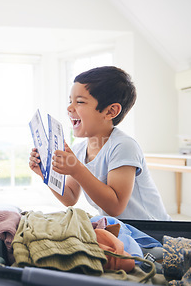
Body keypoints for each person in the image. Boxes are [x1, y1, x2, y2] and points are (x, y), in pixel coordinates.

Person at [29, 66, 171, 221]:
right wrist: (45, 174)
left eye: (80, 102)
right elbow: (70, 197)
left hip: (150, 230)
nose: (69, 108)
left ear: (110, 112)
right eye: (70, 101)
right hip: (120, 229)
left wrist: (77, 169)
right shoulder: (78, 150)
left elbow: (115, 206)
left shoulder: (124, 146)